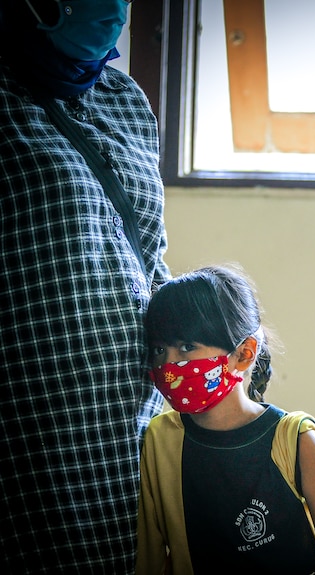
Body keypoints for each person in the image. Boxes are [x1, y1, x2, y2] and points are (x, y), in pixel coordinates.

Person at [0, 1, 169, 572]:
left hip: (128, 426)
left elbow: (152, 256)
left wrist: (216, 334)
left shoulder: (124, 101)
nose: (111, 11)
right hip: (28, 430)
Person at [137, 265, 315, 575]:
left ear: (244, 354)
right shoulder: (159, 439)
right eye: (159, 349)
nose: (168, 364)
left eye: (188, 347)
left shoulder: (295, 438)